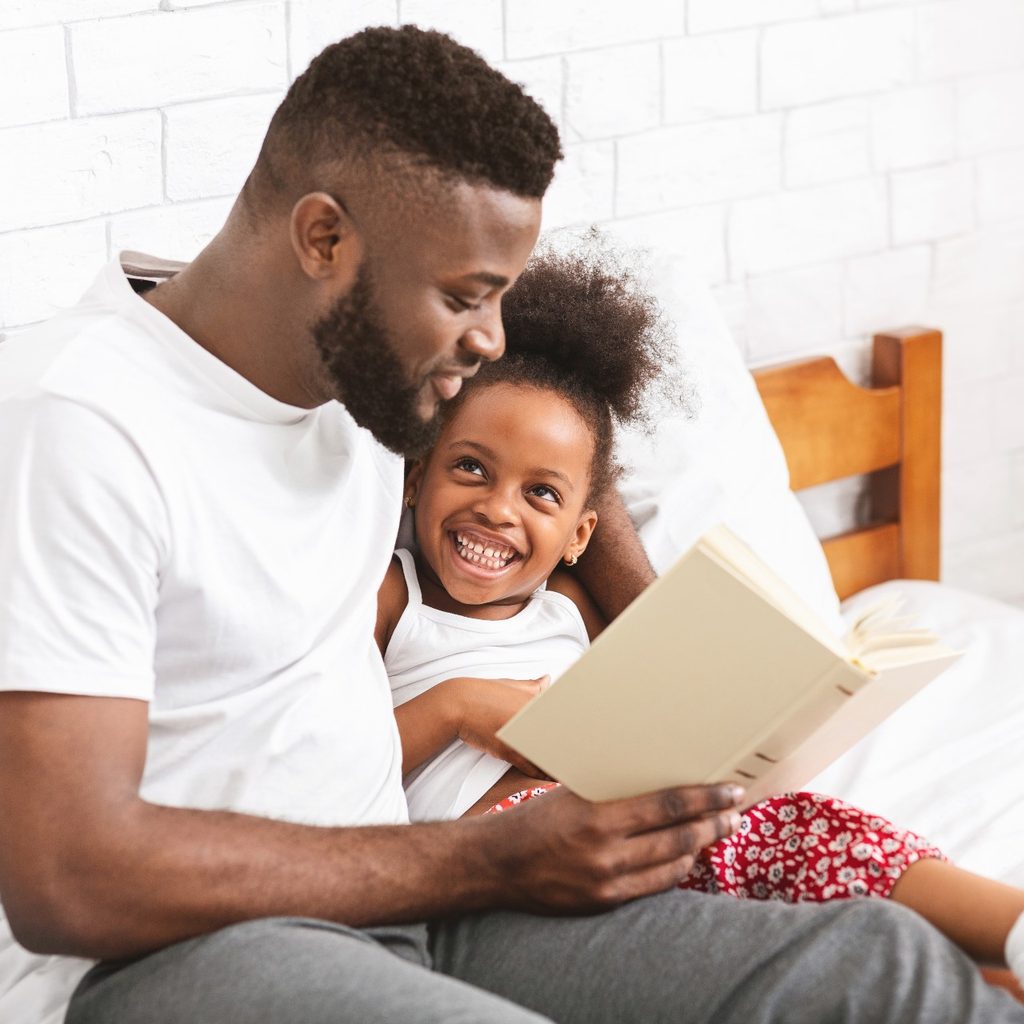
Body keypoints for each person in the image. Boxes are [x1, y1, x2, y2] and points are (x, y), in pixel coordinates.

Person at [0, 24, 1021, 1024]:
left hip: (416, 898)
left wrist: (673, 631)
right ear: (322, 238)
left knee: (877, 963)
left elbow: (558, 459)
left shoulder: (367, 380)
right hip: (184, 953)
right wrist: (485, 855)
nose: (490, 336)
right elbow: (66, 878)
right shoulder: (81, 422)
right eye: (466, 297)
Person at [377, 242, 1024, 994]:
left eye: (542, 496)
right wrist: (460, 709)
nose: (497, 508)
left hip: (627, 816)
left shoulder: (572, 607)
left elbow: (641, 706)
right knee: (753, 867)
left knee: (797, 825)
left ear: (582, 535)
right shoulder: (395, 599)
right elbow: (338, 758)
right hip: (496, 846)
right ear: (415, 477)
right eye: (471, 469)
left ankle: (1004, 936)